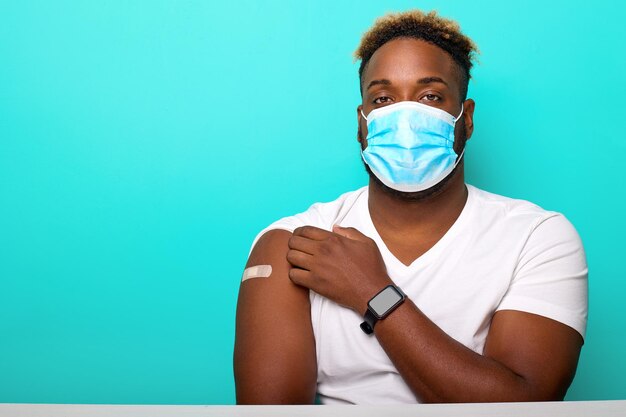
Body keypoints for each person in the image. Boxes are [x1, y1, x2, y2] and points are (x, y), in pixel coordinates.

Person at [233, 10, 587, 404]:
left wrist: (372, 290)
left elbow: (523, 404)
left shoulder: (537, 238)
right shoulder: (294, 244)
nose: (404, 116)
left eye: (430, 96)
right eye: (382, 98)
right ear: (362, 123)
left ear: (465, 119)